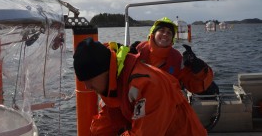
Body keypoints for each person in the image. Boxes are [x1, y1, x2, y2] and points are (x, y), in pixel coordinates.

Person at [73, 37, 207, 135]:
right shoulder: (115, 82)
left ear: (105, 70)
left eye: (89, 79)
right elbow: (106, 122)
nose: (87, 86)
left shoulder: (147, 85)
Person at [130, 17, 219, 95]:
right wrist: (126, 56)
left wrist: (199, 68)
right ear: (153, 34)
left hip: (167, 102)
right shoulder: (138, 50)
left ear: (172, 39)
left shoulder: (177, 58)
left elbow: (195, 86)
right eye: (161, 30)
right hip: (138, 100)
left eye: (169, 33)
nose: (165, 34)